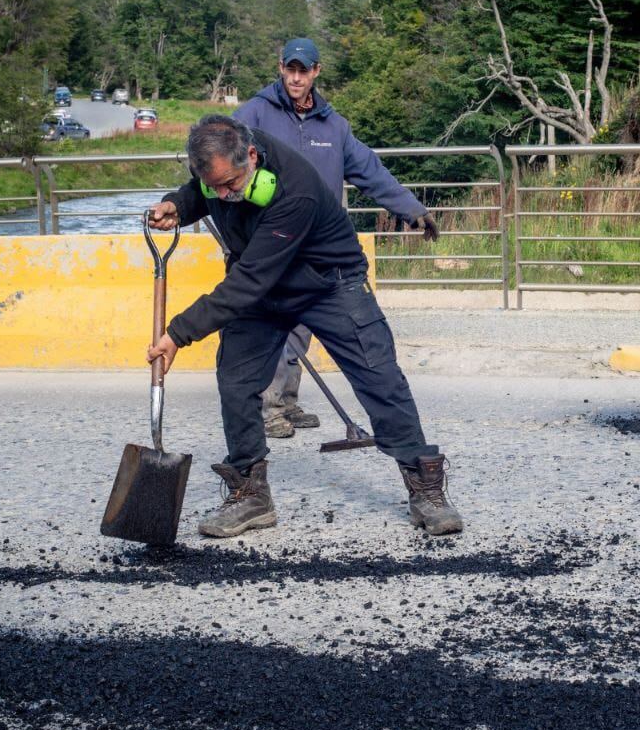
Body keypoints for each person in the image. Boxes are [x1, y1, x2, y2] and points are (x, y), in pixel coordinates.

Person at [146, 115, 462, 537]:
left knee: (380, 376)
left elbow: (249, 282)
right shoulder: (223, 171)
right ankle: (250, 494)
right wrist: (180, 204)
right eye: (213, 186)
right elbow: (207, 190)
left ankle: (425, 487)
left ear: (252, 157)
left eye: (231, 185)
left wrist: (178, 333)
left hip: (328, 282)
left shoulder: (296, 192)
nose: (223, 195)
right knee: (236, 380)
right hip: (262, 286)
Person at [233, 37, 438, 439]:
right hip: (271, 239)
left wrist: (411, 209)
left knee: (301, 326)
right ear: (280, 68)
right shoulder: (254, 114)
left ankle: (286, 402)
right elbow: (221, 155)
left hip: (317, 244)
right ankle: (267, 408)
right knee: (274, 323)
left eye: (303, 70)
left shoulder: (334, 126)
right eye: (290, 69)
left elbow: (370, 171)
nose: (296, 77)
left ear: (316, 72)